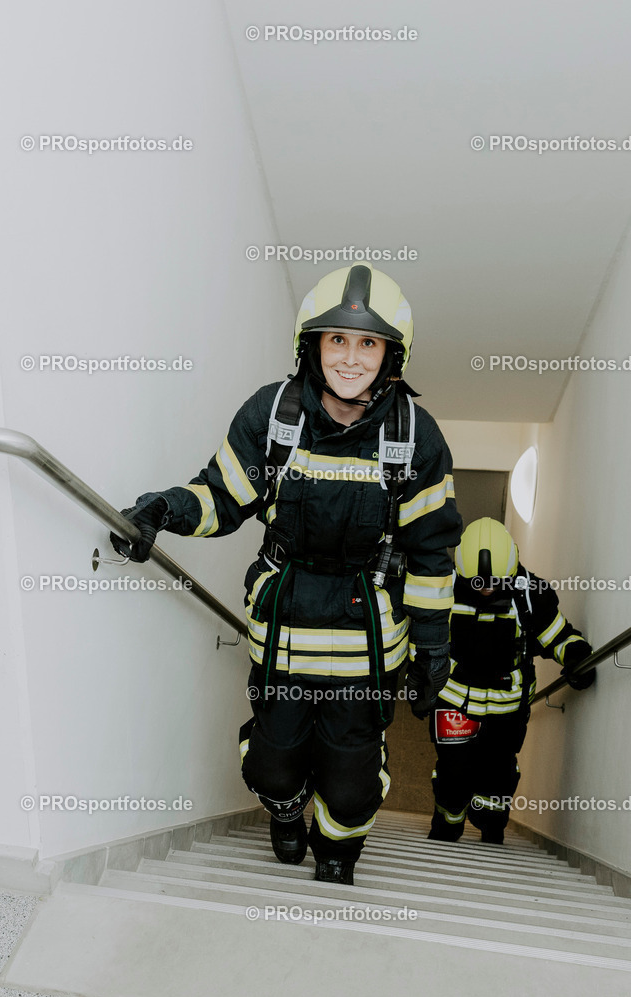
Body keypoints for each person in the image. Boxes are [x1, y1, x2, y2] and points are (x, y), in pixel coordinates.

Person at [110, 262, 462, 884]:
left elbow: (432, 550)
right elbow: (221, 495)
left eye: (368, 343)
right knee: (272, 768)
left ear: (391, 354)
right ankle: (287, 810)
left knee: (352, 789)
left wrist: (435, 645)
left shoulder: (416, 436)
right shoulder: (273, 415)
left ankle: (336, 848)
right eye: (338, 340)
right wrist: (164, 509)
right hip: (283, 634)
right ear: (312, 344)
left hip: (367, 647)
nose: (351, 358)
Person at [428, 517, 596, 845]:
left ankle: (491, 827)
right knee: (453, 773)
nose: (487, 589)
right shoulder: (441, 589)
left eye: (494, 583)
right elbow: (416, 634)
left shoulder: (530, 595)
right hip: (454, 700)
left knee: (498, 778)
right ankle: (448, 821)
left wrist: (577, 656)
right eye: (477, 582)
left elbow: (557, 635)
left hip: (508, 709)